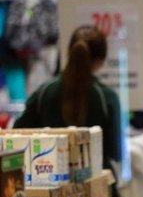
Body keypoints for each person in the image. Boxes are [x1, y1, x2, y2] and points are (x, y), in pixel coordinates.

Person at [14, 25, 122, 171]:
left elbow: (17, 134)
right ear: (100, 60)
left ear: (68, 52)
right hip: (98, 178)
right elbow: (117, 152)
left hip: (49, 176)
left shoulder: (44, 93)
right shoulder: (106, 97)